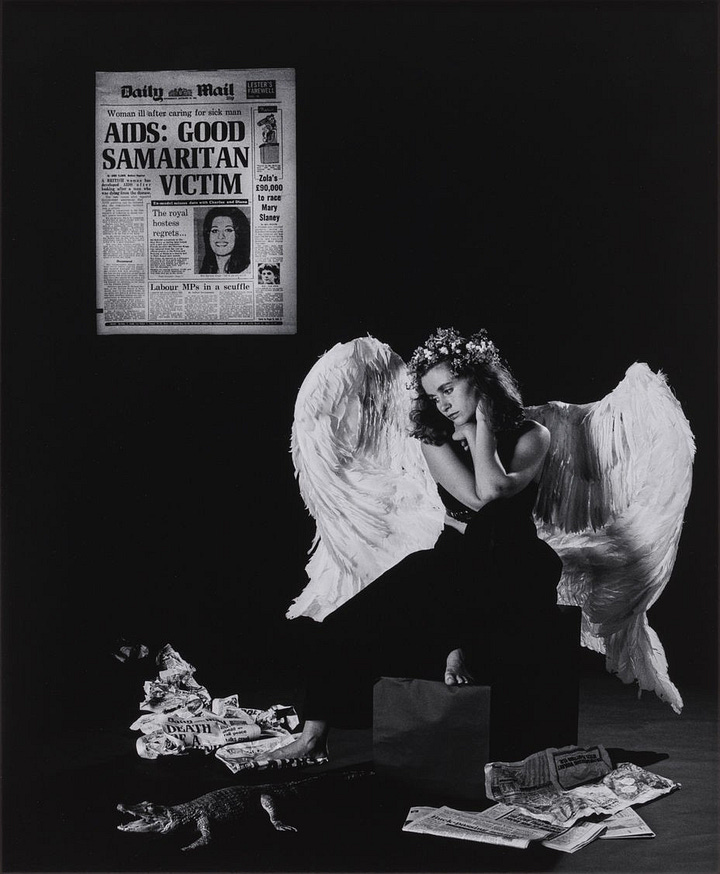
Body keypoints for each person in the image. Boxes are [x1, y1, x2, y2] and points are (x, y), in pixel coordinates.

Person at [258, 328, 574, 767]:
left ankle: (458, 641)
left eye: (448, 389)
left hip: (515, 561)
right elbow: (477, 497)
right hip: (456, 557)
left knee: (497, 525)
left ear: (479, 381)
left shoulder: (532, 434)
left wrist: (480, 425)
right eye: (433, 395)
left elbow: (495, 493)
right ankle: (313, 736)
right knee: (342, 624)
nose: (441, 403)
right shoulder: (433, 437)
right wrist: (466, 426)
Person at [199, 207, 251, 274]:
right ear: (208, 236)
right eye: (215, 230)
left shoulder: (247, 271)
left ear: (238, 235)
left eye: (228, 230)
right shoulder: (205, 271)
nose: (220, 236)